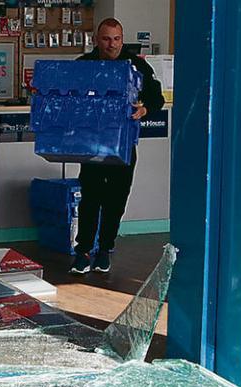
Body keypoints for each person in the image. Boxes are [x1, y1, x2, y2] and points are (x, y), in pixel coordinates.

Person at [69, 18, 165, 275]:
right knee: (90, 199)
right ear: (96, 40)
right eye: (106, 38)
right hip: (91, 145)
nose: (111, 44)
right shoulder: (83, 65)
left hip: (123, 145)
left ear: (122, 39)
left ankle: (104, 250)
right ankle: (83, 251)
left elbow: (157, 98)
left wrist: (144, 109)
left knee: (116, 201)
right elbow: (67, 98)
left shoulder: (137, 65)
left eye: (116, 39)